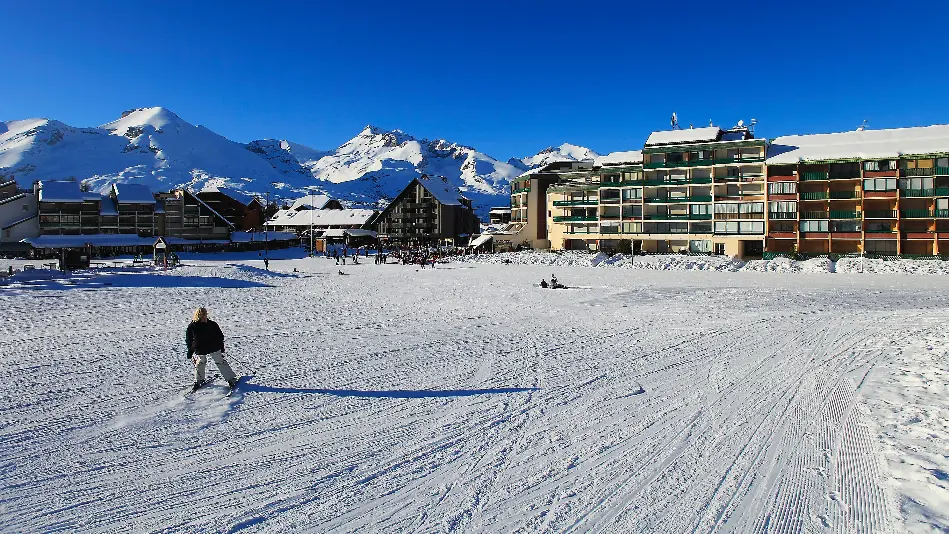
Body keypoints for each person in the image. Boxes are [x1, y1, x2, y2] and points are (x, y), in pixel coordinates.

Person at [186, 307, 238, 390]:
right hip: (212, 347)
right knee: (219, 362)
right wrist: (221, 347)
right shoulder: (212, 324)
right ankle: (231, 379)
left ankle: (199, 381)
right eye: (203, 314)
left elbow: (189, 340)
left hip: (201, 348)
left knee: (201, 363)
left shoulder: (192, 326)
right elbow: (220, 336)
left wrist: (190, 350)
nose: (204, 316)